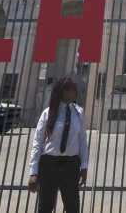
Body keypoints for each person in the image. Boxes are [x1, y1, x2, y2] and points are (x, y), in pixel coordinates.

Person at [28, 76, 89, 213]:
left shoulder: (79, 113)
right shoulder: (48, 113)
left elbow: (82, 141)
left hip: (71, 163)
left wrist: (84, 166)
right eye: (73, 89)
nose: (76, 92)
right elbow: (37, 143)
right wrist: (33, 172)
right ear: (64, 91)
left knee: (72, 204)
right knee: (46, 204)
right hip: (49, 163)